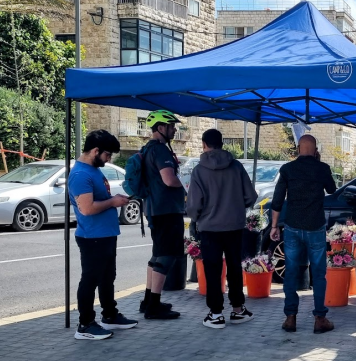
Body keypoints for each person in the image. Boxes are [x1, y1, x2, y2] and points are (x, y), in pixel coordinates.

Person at [68, 130, 137, 340]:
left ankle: (109, 314)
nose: (109, 159)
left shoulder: (93, 170)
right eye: (107, 154)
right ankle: (85, 324)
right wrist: (113, 202)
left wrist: (114, 199)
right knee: (90, 280)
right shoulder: (81, 175)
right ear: (95, 151)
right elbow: (87, 208)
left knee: (107, 278)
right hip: (92, 236)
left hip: (104, 234)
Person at [187, 129, 258, 329]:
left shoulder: (199, 171)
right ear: (222, 143)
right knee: (234, 268)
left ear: (204, 144)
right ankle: (238, 309)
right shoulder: (236, 167)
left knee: (212, 270)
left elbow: (194, 205)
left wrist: (198, 217)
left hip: (209, 228)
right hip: (234, 226)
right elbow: (251, 196)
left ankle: (216, 314)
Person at [270, 135, 337, 334]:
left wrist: (274, 226)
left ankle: (290, 318)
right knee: (318, 274)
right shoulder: (322, 168)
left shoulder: (287, 169)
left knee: (291, 272)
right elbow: (332, 189)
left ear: (298, 148)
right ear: (315, 150)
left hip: (292, 227)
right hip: (315, 226)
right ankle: (320, 319)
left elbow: (277, 199)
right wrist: (319, 163)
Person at [141, 110, 185, 320]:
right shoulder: (160, 150)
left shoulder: (148, 148)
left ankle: (149, 301)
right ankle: (154, 306)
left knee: (157, 255)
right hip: (166, 210)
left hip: (154, 209)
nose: (174, 129)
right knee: (166, 256)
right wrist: (187, 185)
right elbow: (169, 179)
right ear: (160, 127)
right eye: (171, 126)